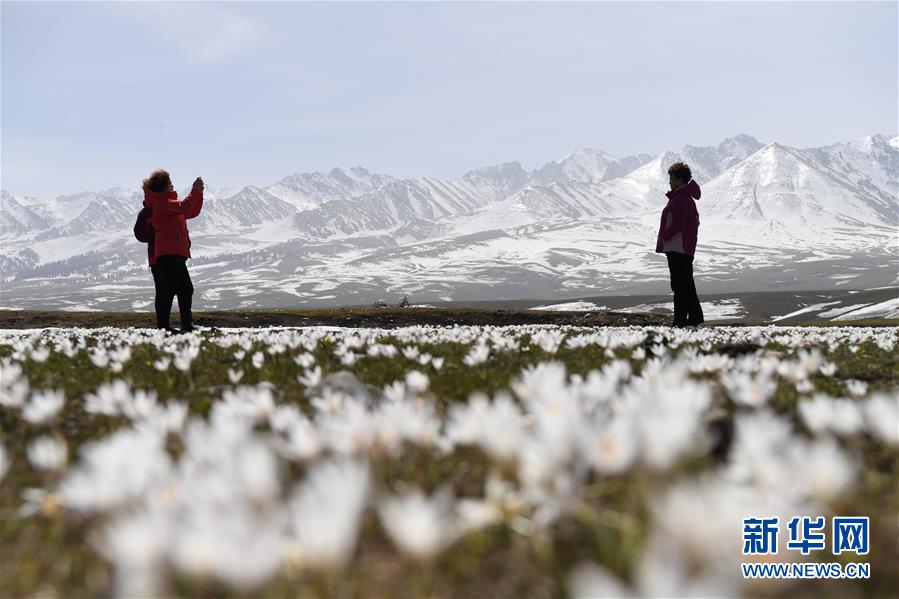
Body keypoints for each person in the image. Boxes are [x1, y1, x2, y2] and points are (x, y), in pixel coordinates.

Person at [141, 169, 204, 333]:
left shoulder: (168, 203)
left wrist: (200, 193)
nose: (172, 185)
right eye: (170, 183)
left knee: (176, 290)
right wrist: (195, 190)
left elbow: (191, 211)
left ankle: (175, 325)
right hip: (169, 254)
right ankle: (175, 325)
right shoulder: (162, 203)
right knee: (179, 290)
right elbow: (186, 206)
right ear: (163, 186)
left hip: (173, 254)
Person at [655, 162, 704, 328]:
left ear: (679, 179)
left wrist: (664, 236)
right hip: (681, 247)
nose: (669, 182)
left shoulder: (681, 199)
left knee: (680, 285)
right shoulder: (681, 197)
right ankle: (691, 318)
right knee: (685, 284)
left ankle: (682, 320)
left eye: (671, 178)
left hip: (678, 247)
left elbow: (678, 224)